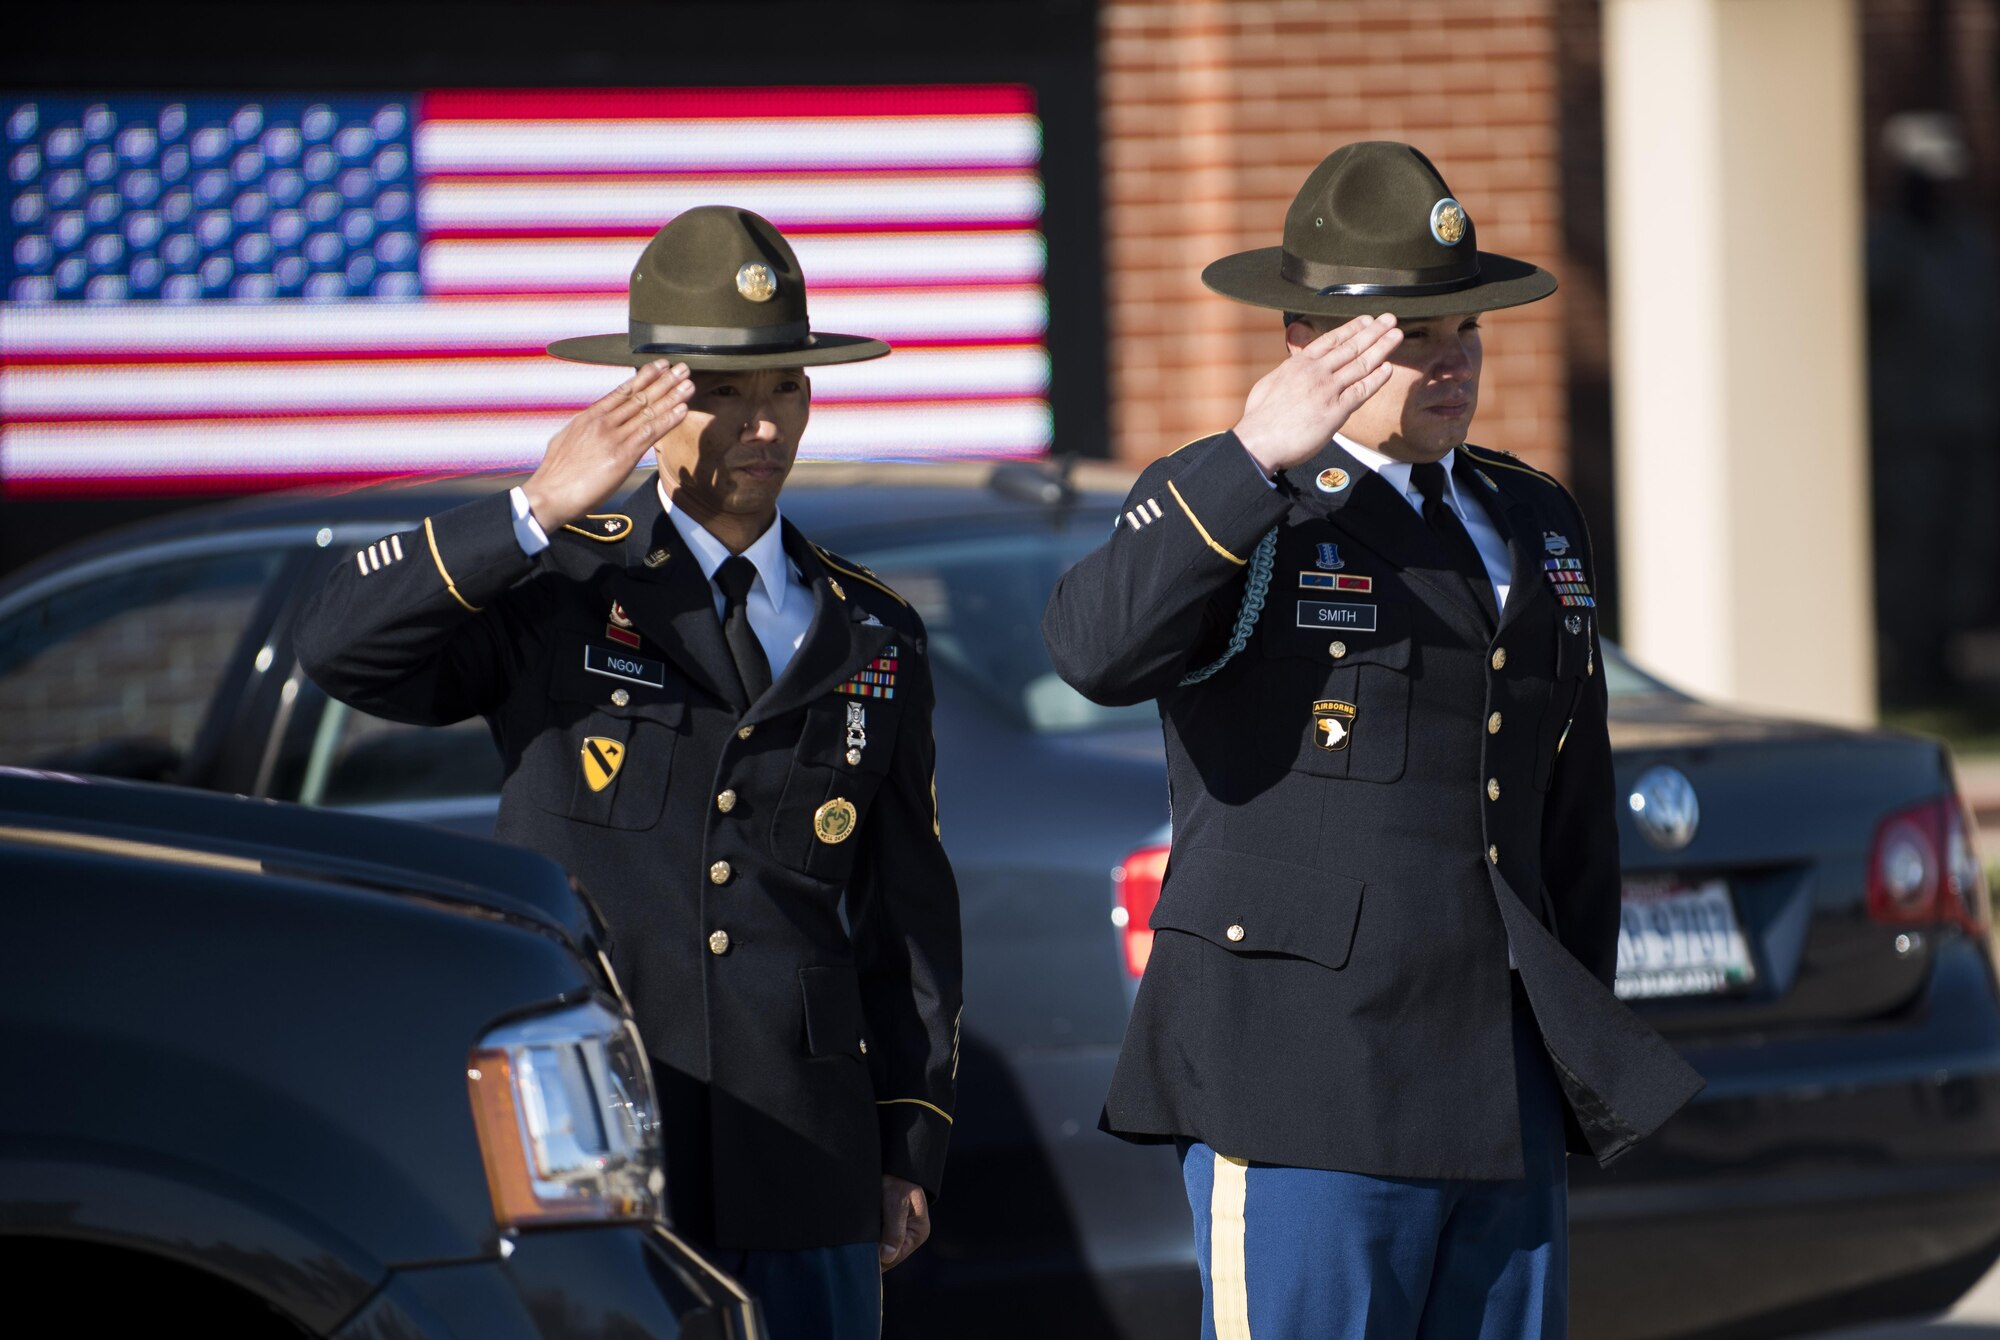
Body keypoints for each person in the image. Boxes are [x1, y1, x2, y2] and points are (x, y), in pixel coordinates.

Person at [1042, 142, 1703, 1338]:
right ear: (1307, 341)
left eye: (1465, 326)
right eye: (1410, 330)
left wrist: (1567, 1038)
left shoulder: (1530, 515)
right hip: (1299, 1081)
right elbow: (1094, 647)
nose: (1449, 357)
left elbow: (1568, 808)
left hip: (1495, 1072)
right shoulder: (1246, 505)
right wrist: (1250, 456)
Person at [296, 206, 961, 1339]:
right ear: (649, 399)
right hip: (605, 1140)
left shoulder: (873, 630)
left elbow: (904, 916)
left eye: (784, 388)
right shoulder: (555, 589)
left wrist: (907, 1140)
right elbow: (339, 644)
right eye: (719, 390)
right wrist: (529, 509)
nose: (760, 423)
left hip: (803, 1151)